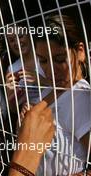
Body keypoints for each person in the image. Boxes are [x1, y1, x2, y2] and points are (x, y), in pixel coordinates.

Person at [33, 14, 91, 175]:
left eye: (59, 59)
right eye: (43, 61)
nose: (50, 70)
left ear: (80, 52)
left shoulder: (81, 98)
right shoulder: (50, 91)